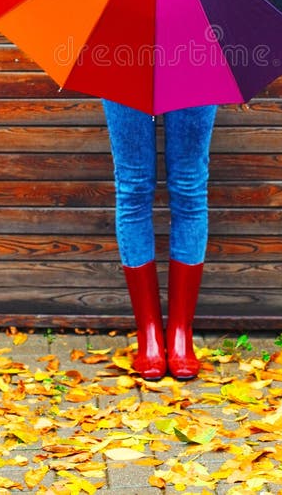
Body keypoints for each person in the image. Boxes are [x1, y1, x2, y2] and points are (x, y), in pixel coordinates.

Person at [102, 99, 218, 381]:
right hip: (125, 60)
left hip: (194, 59)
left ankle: (181, 332)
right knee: (133, 185)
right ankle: (149, 333)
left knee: (189, 185)